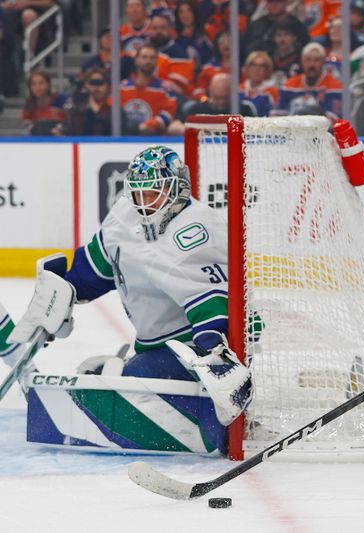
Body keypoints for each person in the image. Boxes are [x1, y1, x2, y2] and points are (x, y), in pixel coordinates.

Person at [10, 146, 252, 454]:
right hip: (157, 345)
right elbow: (96, 269)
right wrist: (64, 293)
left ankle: (209, 420)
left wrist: (216, 353)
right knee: (100, 377)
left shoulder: (198, 229)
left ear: (177, 190)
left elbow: (215, 304)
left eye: (153, 194)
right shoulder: (125, 215)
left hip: (200, 348)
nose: (144, 203)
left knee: (122, 383)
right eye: (138, 193)